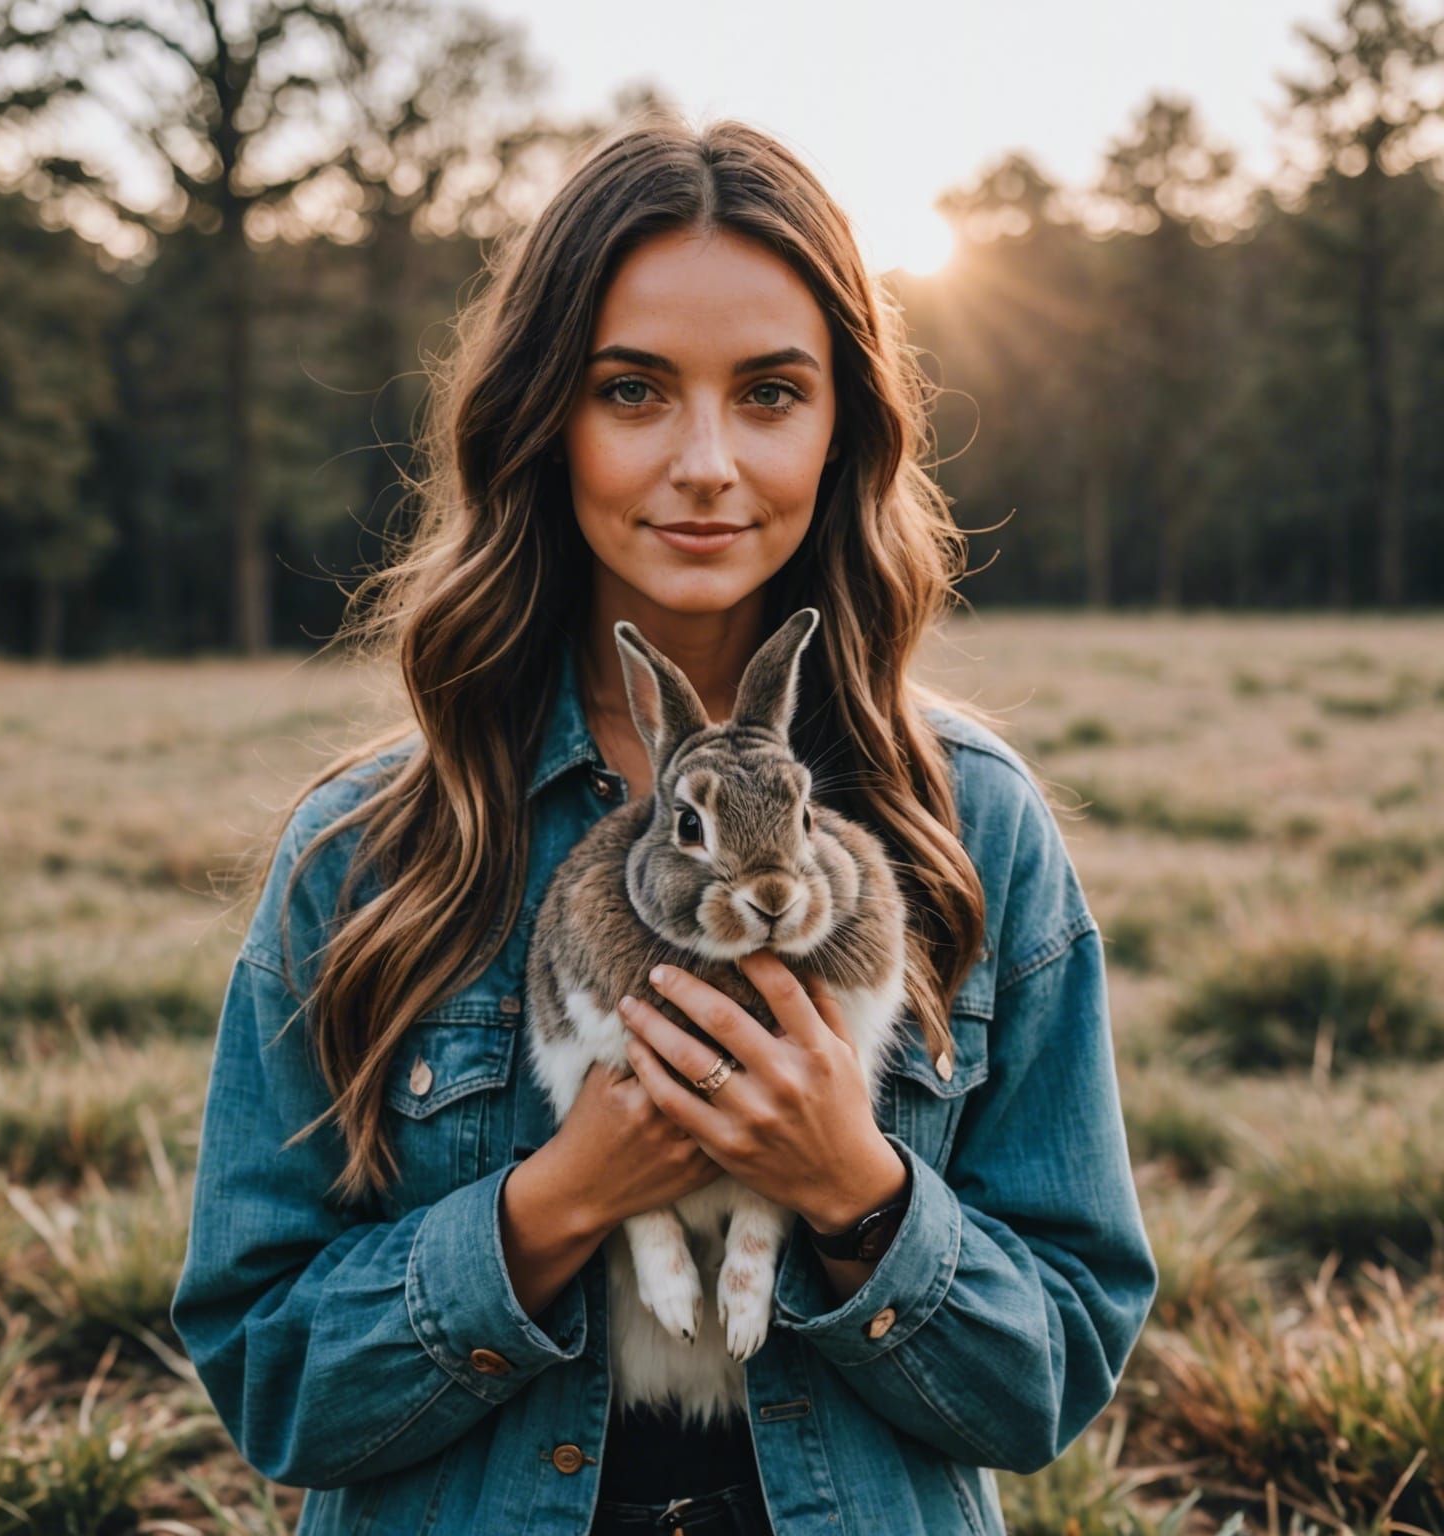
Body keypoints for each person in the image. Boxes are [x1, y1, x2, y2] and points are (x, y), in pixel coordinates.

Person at [170, 111, 1158, 1536]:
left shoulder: (972, 825)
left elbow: (1052, 1375)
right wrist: (557, 1202)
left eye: (769, 394)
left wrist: (851, 1185)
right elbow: (271, 1376)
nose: (705, 460)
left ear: (843, 429)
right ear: (542, 419)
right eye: (632, 391)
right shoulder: (368, 852)